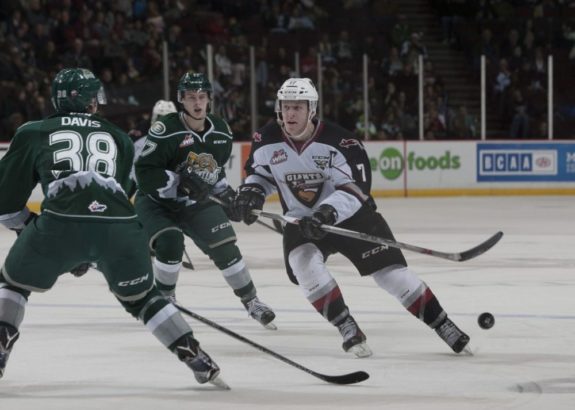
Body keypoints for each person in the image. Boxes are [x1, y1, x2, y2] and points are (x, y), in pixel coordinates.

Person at [0, 68, 224, 387]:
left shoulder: (34, 131)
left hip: (60, 225)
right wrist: (93, 251)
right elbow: (116, 197)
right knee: (144, 298)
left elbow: (5, 203)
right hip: (121, 228)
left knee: (13, 282)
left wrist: (33, 231)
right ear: (90, 101)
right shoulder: (118, 137)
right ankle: (195, 355)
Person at [230, 78, 471, 358]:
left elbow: (356, 188)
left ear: (312, 109)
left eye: (298, 107)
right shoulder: (266, 139)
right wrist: (251, 194)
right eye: (286, 107)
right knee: (303, 264)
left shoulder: (341, 141)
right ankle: (346, 326)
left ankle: (442, 324)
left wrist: (326, 213)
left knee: (391, 276)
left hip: (351, 216)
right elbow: (260, 175)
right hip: (302, 220)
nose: (291, 114)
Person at [134, 72, 276, 329]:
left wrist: (228, 197)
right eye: (191, 98)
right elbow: (144, 173)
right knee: (170, 241)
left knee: (225, 245)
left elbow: (215, 173)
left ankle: (252, 301)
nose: (197, 103)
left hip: (194, 203)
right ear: (181, 100)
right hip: (156, 202)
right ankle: (164, 300)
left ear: (210, 99)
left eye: (202, 97)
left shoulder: (221, 131)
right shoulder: (165, 130)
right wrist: (179, 183)